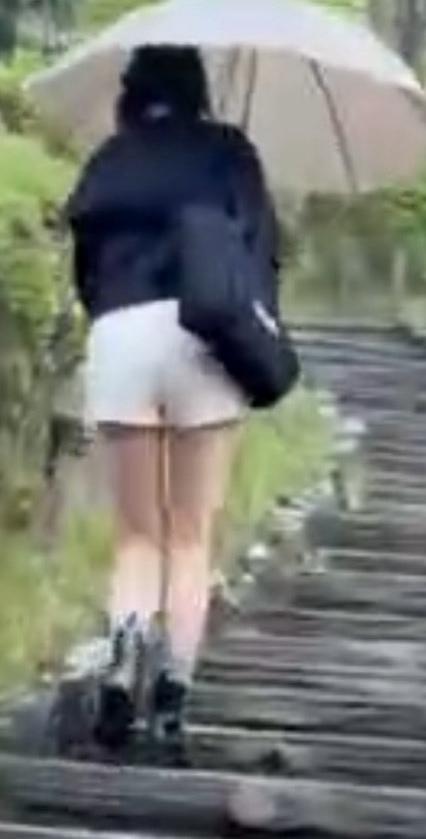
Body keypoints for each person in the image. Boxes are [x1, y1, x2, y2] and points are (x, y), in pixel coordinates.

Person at [65, 45, 279, 756]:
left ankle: (121, 665)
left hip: (120, 333)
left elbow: (84, 271)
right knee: (190, 536)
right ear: (197, 90)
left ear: (130, 93)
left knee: (136, 534)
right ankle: (171, 701)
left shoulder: (109, 160)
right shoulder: (230, 152)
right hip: (202, 335)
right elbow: (260, 257)